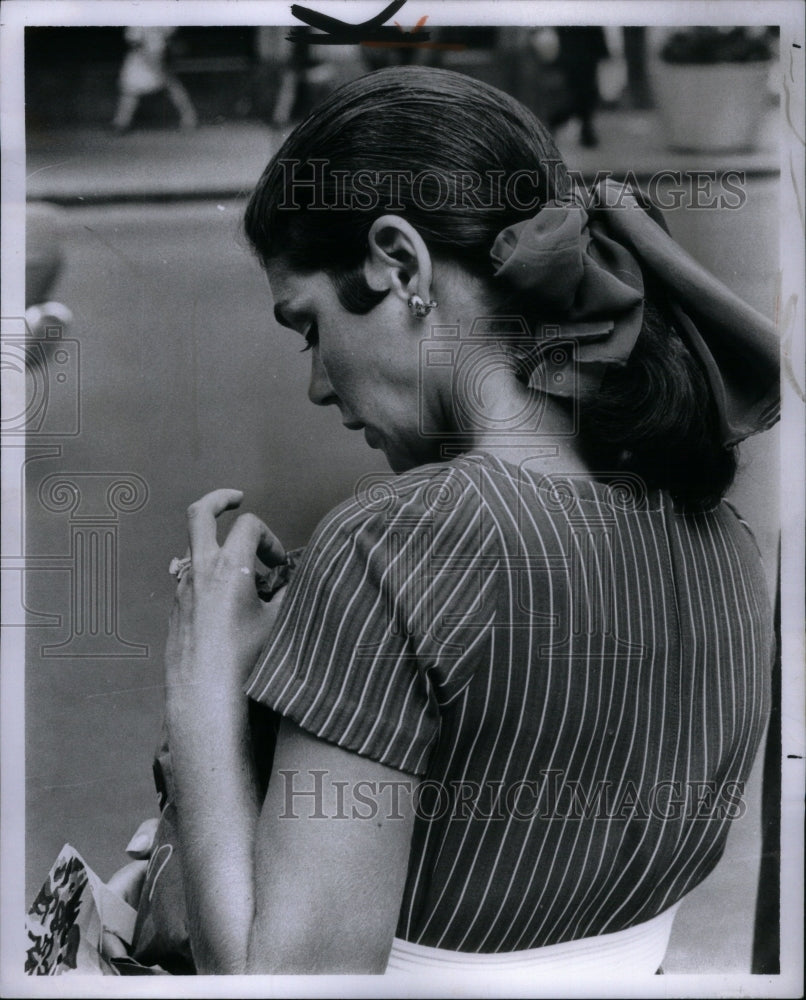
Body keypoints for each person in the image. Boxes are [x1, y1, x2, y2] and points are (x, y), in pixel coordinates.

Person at [112, 66, 778, 976]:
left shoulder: (393, 545)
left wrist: (204, 692)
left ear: (401, 263)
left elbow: (291, 986)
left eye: (308, 328)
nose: (315, 384)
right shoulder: (728, 544)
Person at [111, 27, 197, 134]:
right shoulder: (137, 20)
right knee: (130, 91)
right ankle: (121, 123)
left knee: (173, 88)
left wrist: (166, 56)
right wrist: (152, 61)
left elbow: (169, 38)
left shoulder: (165, 18)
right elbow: (135, 43)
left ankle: (189, 120)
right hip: (139, 61)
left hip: (158, 57)